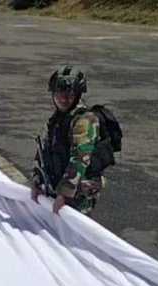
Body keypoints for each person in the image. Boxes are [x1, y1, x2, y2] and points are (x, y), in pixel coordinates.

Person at [31, 66, 105, 215]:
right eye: (59, 94)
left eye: (70, 94)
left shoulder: (85, 120)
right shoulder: (58, 118)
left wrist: (64, 194)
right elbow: (45, 149)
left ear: (77, 95)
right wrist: (37, 180)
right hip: (58, 186)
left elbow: (80, 158)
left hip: (77, 193)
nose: (63, 99)